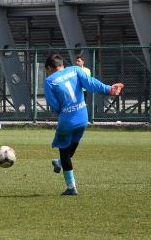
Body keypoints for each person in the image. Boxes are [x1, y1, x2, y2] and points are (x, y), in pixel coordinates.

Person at [44, 53, 123, 196]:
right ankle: (60, 163)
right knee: (73, 144)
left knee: (64, 150)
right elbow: (90, 83)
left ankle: (71, 187)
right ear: (62, 64)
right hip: (82, 116)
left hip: (67, 119)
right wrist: (108, 89)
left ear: (49, 67)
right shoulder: (75, 69)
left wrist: (63, 111)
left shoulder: (49, 80)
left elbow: (53, 103)